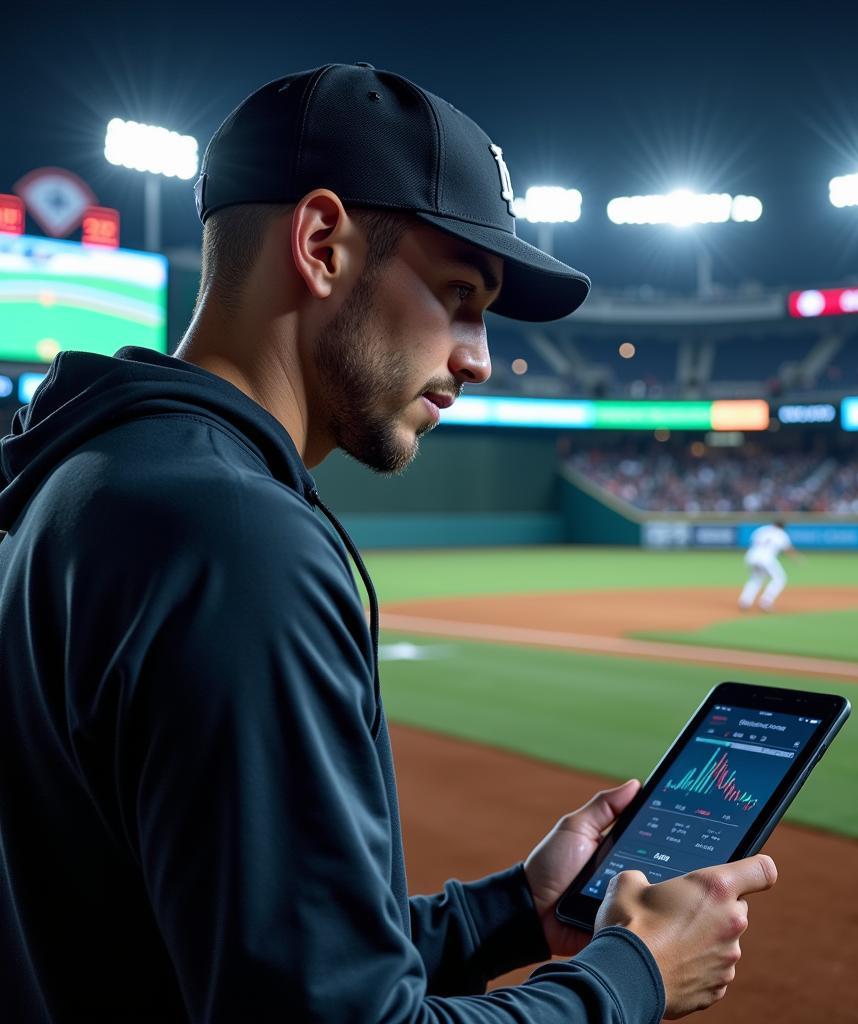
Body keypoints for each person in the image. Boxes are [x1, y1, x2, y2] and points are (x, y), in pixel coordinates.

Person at [0, 63, 776, 1023]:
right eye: (459, 292)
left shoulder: (91, 480)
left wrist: (516, 911)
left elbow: (235, 946)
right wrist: (631, 977)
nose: (480, 356)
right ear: (322, 243)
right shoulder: (237, 542)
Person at [739, 519, 796, 611]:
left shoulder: (762, 529)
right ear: (783, 527)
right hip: (766, 558)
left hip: (751, 556)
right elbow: (787, 549)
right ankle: (766, 602)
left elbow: (752, 542)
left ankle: (745, 601)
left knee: (755, 579)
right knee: (779, 579)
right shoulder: (781, 533)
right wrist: (796, 558)